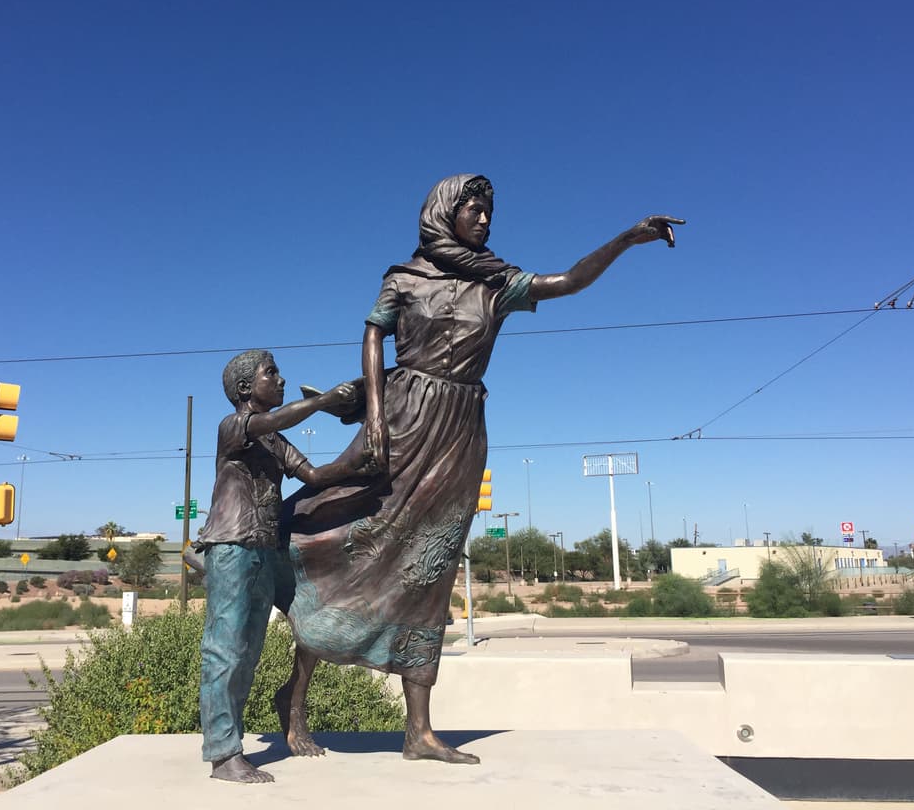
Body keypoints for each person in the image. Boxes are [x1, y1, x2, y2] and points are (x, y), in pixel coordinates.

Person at [278, 174, 683, 764]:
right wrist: (374, 410)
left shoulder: (497, 285)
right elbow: (372, 334)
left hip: (460, 432)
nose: (485, 220)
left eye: (490, 211)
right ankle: (294, 699)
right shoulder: (405, 278)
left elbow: (568, 281)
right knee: (350, 542)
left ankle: (418, 731)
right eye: (474, 208)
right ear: (446, 212)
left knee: (430, 570)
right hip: (401, 416)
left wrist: (625, 239)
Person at [196, 349, 368, 784]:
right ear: (243, 389)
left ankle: (230, 747)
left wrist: (369, 452)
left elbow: (314, 476)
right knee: (225, 649)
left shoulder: (274, 440)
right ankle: (223, 754)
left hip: (264, 551)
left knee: (248, 652)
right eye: (270, 373)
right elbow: (276, 420)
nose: (281, 379)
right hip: (232, 546)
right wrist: (324, 401)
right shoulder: (236, 426)